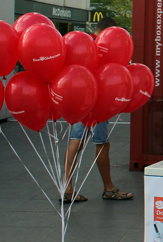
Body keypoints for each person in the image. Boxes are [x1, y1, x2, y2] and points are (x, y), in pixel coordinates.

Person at [62, 18, 132, 203]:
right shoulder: (103, 46)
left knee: (76, 142)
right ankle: (109, 188)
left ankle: (67, 188)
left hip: (79, 101)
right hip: (98, 102)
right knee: (102, 144)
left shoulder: (83, 43)